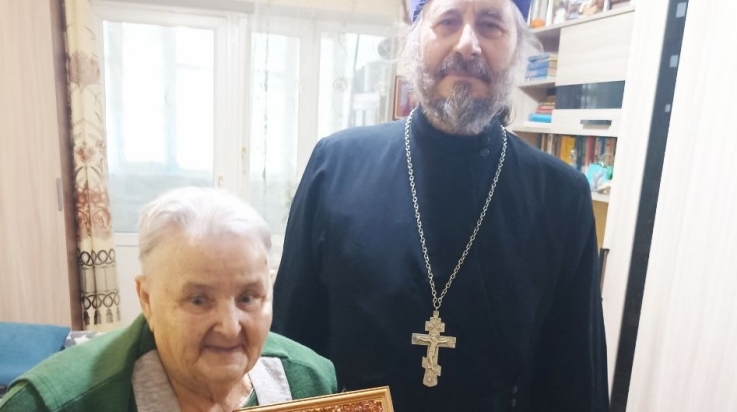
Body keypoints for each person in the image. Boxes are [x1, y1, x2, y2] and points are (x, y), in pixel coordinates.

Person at [271, 0, 608, 410]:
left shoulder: (560, 197)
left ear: (518, 46)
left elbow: (575, 379)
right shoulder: (335, 165)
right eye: (448, 21)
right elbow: (290, 348)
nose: (467, 44)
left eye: (490, 25)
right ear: (414, 40)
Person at [0, 187, 337, 411]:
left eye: (248, 298)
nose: (230, 327)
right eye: (198, 300)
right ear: (146, 300)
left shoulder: (311, 383)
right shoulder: (50, 404)